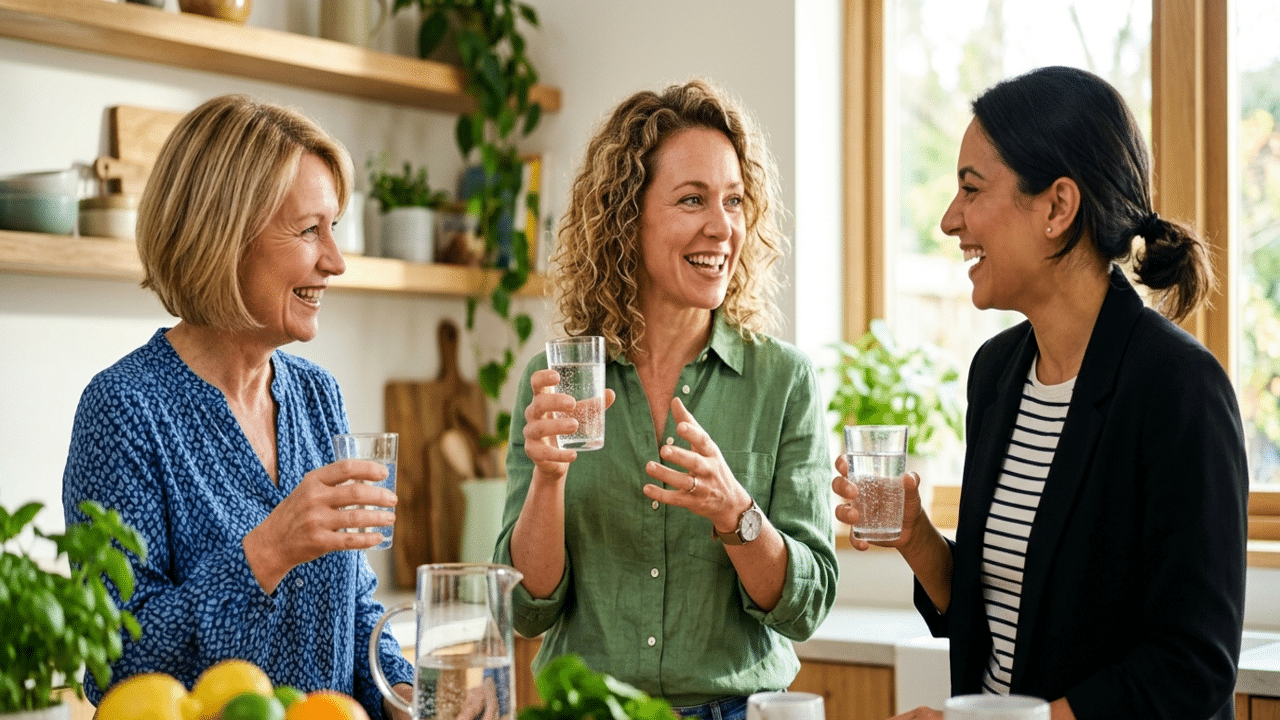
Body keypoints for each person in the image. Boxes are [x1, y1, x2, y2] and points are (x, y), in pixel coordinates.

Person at [834, 65, 1249, 720]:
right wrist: (916, 538)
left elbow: (1191, 668)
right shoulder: (996, 373)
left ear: (1058, 207)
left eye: (971, 188)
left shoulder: (1179, 388)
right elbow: (992, 616)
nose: (949, 220)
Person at [61, 94, 415, 719]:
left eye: (334, 228)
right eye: (309, 230)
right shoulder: (125, 410)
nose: (335, 261)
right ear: (226, 237)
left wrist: (403, 694)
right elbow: (114, 663)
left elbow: (354, 609)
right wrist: (268, 551)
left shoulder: (317, 395)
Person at [494, 79, 839, 720]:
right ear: (628, 217)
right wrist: (548, 479)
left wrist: (736, 512)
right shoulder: (557, 381)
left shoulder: (784, 380)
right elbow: (524, 608)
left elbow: (806, 606)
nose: (722, 227)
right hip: (591, 711)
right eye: (692, 200)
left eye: (734, 201)